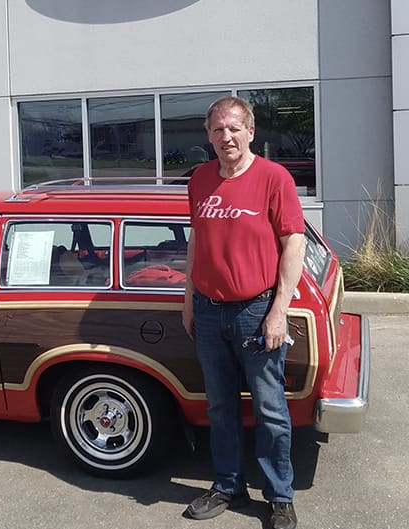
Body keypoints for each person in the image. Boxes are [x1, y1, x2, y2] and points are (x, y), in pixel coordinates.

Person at [181, 96, 305, 529]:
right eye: (217, 130)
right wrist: (188, 297)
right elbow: (197, 238)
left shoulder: (274, 178)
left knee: (270, 409)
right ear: (209, 135)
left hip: (257, 310)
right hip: (210, 312)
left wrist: (279, 310)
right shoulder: (198, 179)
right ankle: (228, 486)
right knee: (220, 407)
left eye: (234, 128)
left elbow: (294, 243)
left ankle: (279, 496)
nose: (225, 137)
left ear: (251, 131)